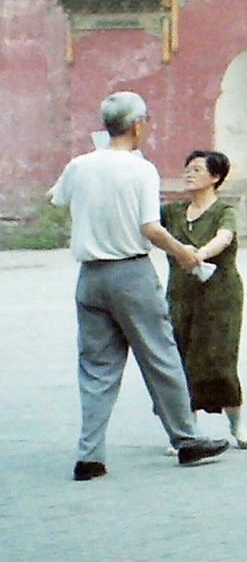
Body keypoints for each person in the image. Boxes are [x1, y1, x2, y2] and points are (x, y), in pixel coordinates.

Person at [50, 91, 228, 480]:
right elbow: (150, 228)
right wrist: (183, 253)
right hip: (131, 273)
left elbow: (55, 199)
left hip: (90, 276)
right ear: (136, 125)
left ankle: (90, 456)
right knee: (161, 357)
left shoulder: (79, 165)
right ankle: (187, 439)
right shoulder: (140, 169)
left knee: (97, 368)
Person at [161, 150, 247, 449]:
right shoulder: (173, 212)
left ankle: (236, 423)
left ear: (215, 177)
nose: (189, 174)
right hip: (181, 295)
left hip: (220, 296)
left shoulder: (223, 210)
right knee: (181, 358)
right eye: (187, 168)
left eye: (197, 169)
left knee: (220, 359)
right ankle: (187, 431)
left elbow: (224, 238)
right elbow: (148, 229)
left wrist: (198, 254)